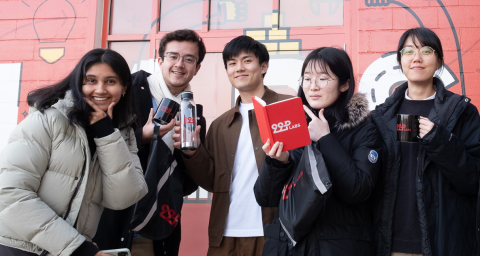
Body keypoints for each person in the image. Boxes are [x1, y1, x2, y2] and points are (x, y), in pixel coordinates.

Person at [0, 48, 148, 256]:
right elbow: (9, 193)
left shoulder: (123, 134)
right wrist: (76, 247)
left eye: (111, 81)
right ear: (79, 83)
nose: (100, 89)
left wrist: (107, 135)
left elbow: (123, 198)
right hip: (19, 248)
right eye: (91, 80)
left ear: (124, 87)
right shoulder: (47, 120)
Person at [254, 47, 382, 256]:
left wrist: (325, 139)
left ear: (344, 84)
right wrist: (279, 162)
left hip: (337, 248)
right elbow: (265, 197)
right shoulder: (291, 124)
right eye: (306, 78)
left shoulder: (363, 129)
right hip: (287, 247)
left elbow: (357, 190)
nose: (312, 86)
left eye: (323, 79)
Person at [172, 35, 291, 256]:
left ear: (263, 66)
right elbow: (210, 181)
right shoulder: (219, 125)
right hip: (225, 233)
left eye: (247, 61)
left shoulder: (286, 108)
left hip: (275, 230)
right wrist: (194, 150)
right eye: (232, 63)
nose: (239, 68)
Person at [94, 29, 206, 256]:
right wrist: (142, 137)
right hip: (110, 222)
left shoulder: (194, 116)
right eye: (173, 56)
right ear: (160, 60)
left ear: (197, 67)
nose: (179, 65)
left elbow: (187, 186)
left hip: (157, 231)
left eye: (189, 59)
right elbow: (94, 145)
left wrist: (189, 156)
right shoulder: (128, 91)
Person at [371, 27, 480, 256]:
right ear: (400, 60)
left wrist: (440, 141)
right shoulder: (381, 117)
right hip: (389, 243)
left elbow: (472, 180)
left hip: (442, 241)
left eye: (426, 51)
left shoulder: (462, 113)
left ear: (439, 61)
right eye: (408, 51)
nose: (416, 58)